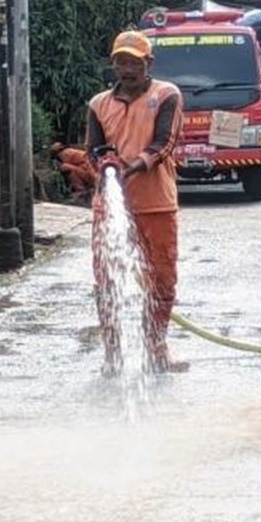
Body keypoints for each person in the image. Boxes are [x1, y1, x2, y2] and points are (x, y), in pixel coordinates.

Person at [86, 30, 186, 374]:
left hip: (156, 203)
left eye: (134, 63)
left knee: (161, 279)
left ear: (149, 64)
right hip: (110, 206)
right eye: (121, 62)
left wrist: (132, 167)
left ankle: (157, 348)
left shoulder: (166, 95)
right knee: (107, 280)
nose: (127, 69)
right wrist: (104, 166)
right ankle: (112, 354)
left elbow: (164, 144)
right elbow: (93, 150)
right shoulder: (98, 104)